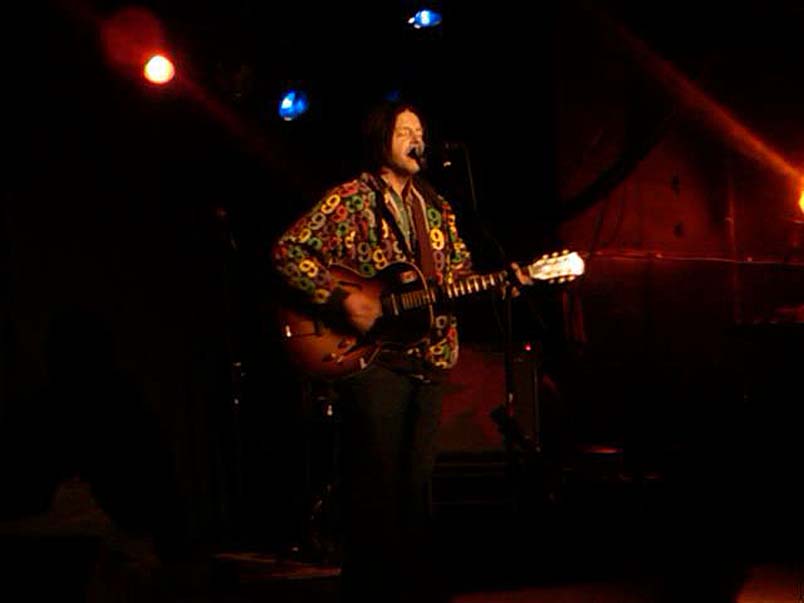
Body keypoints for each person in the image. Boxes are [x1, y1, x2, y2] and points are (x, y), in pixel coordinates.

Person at [271, 100, 528, 603]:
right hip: (372, 357)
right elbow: (288, 252)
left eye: (421, 131)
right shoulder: (351, 199)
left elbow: (456, 278)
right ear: (381, 138)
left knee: (414, 490)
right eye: (405, 130)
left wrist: (503, 281)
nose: (417, 138)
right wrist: (342, 297)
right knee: (376, 488)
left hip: (428, 358)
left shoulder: (438, 207)